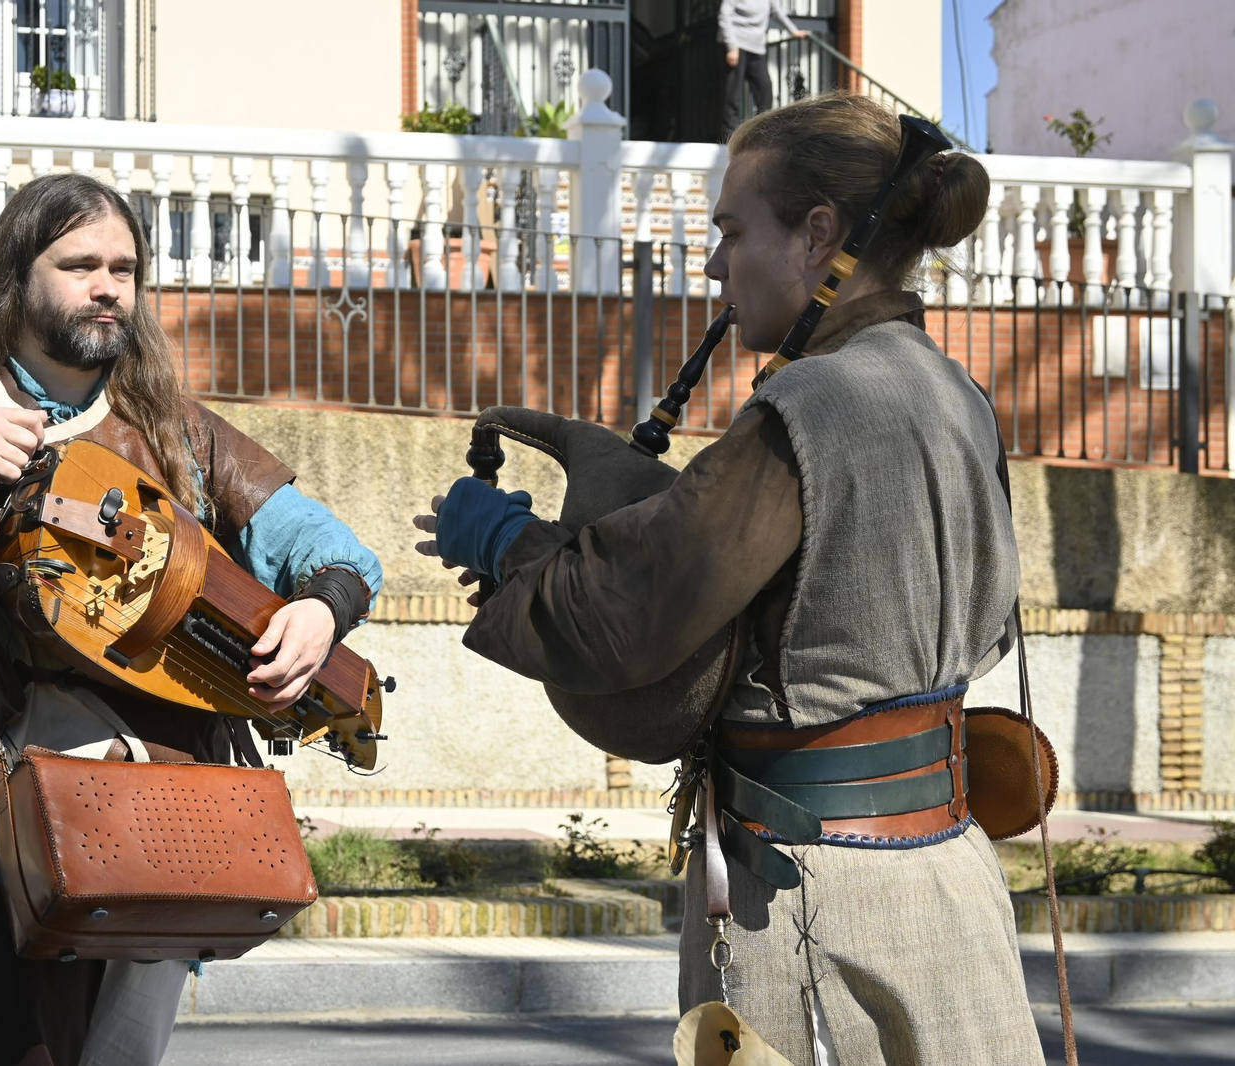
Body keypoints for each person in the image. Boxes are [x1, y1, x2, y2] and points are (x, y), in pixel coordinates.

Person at [415, 92, 1044, 1065]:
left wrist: (507, 544)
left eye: (733, 230)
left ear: (818, 236)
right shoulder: (951, 387)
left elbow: (626, 612)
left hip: (809, 897)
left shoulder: (807, 403)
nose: (715, 264)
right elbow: (977, 624)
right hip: (953, 879)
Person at [0, 173, 382, 1066]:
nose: (107, 286)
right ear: (16, 279)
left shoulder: (182, 436)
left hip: (166, 814)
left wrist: (320, 608)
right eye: (79, 266)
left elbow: (333, 550)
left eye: (124, 268)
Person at [720, 0, 810, 139]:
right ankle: (729, 136)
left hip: (757, 48)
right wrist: (731, 46)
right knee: (734, 94)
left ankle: (763, 133)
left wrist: (793, 31)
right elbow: (724, 16)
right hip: (737, 45)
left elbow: (777, 13)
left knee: (765, 88)